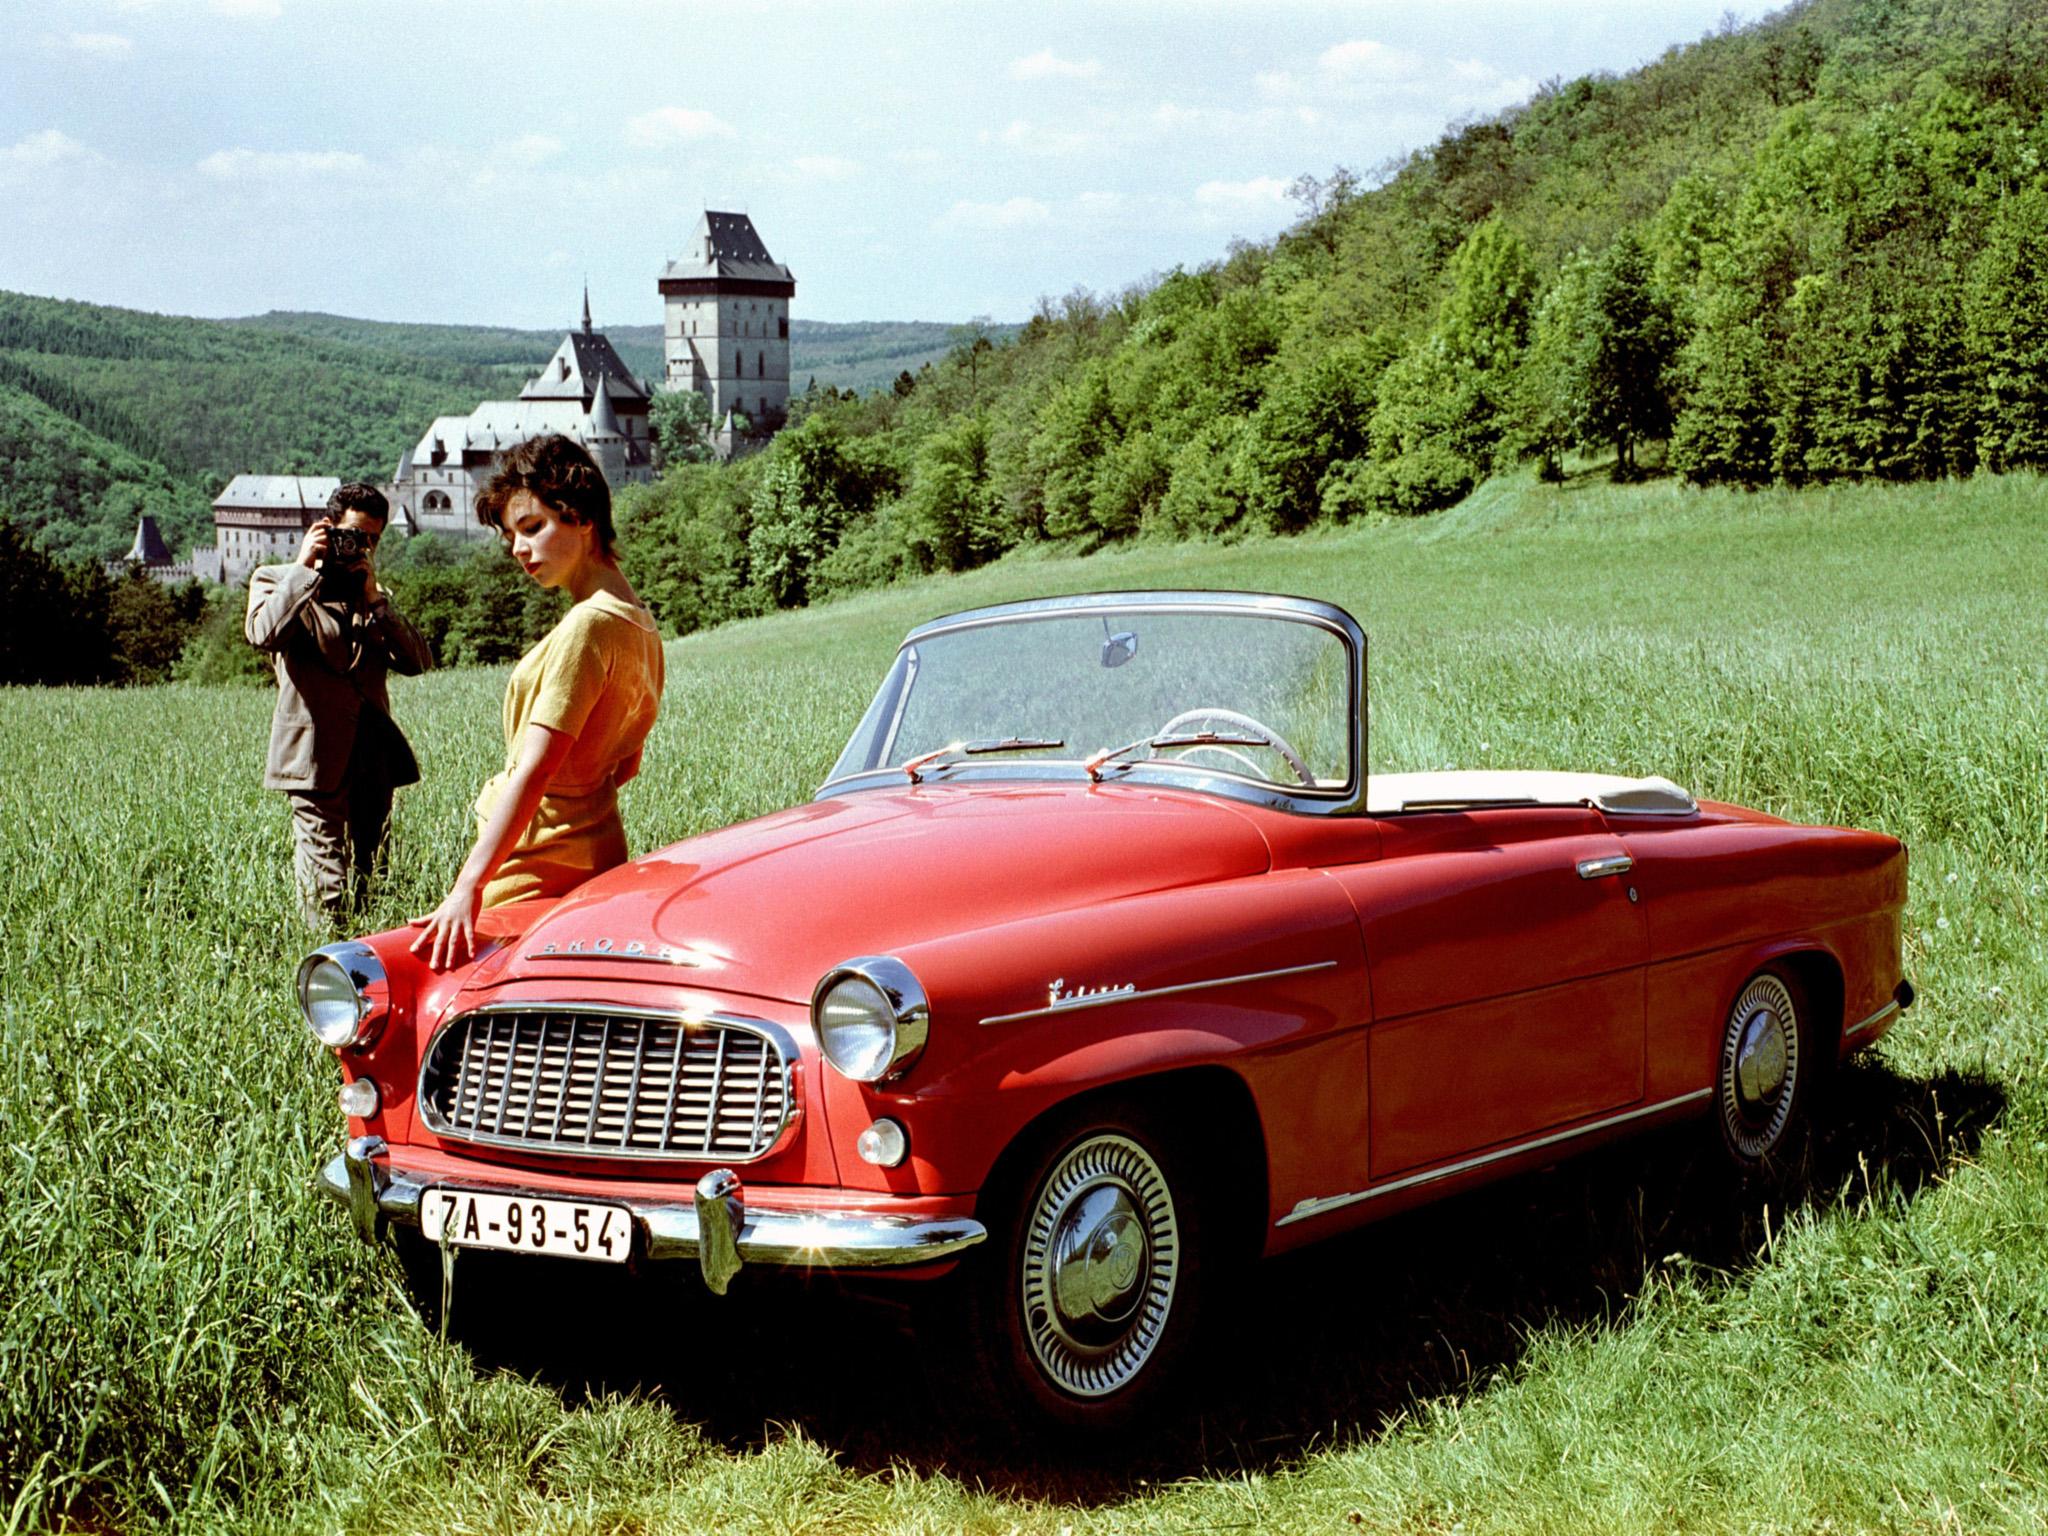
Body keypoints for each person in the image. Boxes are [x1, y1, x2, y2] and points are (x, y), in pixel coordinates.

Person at [410, 434, 664, 969]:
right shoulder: (641, 624)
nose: (518, 550)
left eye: (532, 527)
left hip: (532, 867)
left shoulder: (588, 626)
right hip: (597, 856)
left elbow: (535, 771)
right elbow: (626, 763)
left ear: (582, 517)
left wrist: (467, 886)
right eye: (511, 537)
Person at [246, 481, 433, 924]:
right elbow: (263, 633)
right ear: (328, 528)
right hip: (313, 758)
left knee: (375, 878)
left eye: (372, 539)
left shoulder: (370, 593)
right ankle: (324, 958)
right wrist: (304, 568)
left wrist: (375, 601)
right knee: (325, 886)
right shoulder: (277, 580)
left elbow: (417, 661)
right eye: (353, 535)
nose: (361, 546)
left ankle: (370, 955)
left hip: (372, 756)